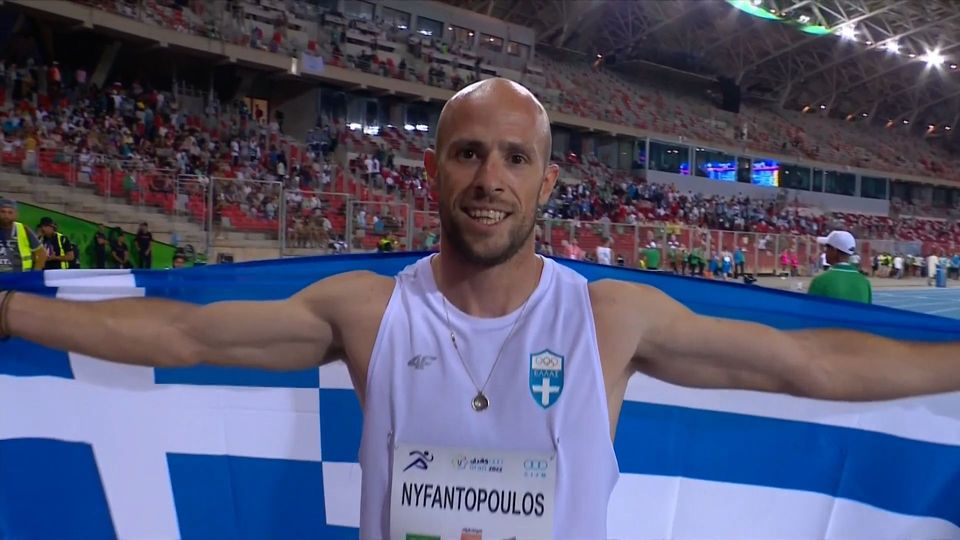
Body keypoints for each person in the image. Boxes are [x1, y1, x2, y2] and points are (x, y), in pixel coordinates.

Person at [1, 79, 959, 539]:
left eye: (514, 158)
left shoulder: (609, 320)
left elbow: (812, 365)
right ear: (433, 170)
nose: (489, 179)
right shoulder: (369, 312)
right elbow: (180, 334)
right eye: (468, 153)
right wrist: (10, 313)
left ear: (547, 182)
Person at [807, 230, 872, 304]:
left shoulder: (820, 281)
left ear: (834, 251)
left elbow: (810, 308)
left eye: (827, 247)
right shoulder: (864, 283)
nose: (825, 251)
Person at [0, 199, 45, 272]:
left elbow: (41, 253)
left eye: (10, 212)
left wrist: (35, 272)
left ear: (16, 214)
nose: (6, 215)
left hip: (20, 276)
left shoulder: (23, 229)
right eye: (3, 212)